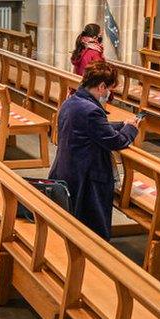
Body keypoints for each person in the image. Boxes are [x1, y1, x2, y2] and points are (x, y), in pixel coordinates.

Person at [49, 61, 142, 240]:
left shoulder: (72, 101)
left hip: (67, 171)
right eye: (109, 90)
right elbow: (116, 141)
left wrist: (121, 124)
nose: (109, 94)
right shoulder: (91, 111)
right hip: (87, 178)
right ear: (101, 87)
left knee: (73, 223)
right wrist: (131, 129)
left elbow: (95, 129)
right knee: (92, 230)